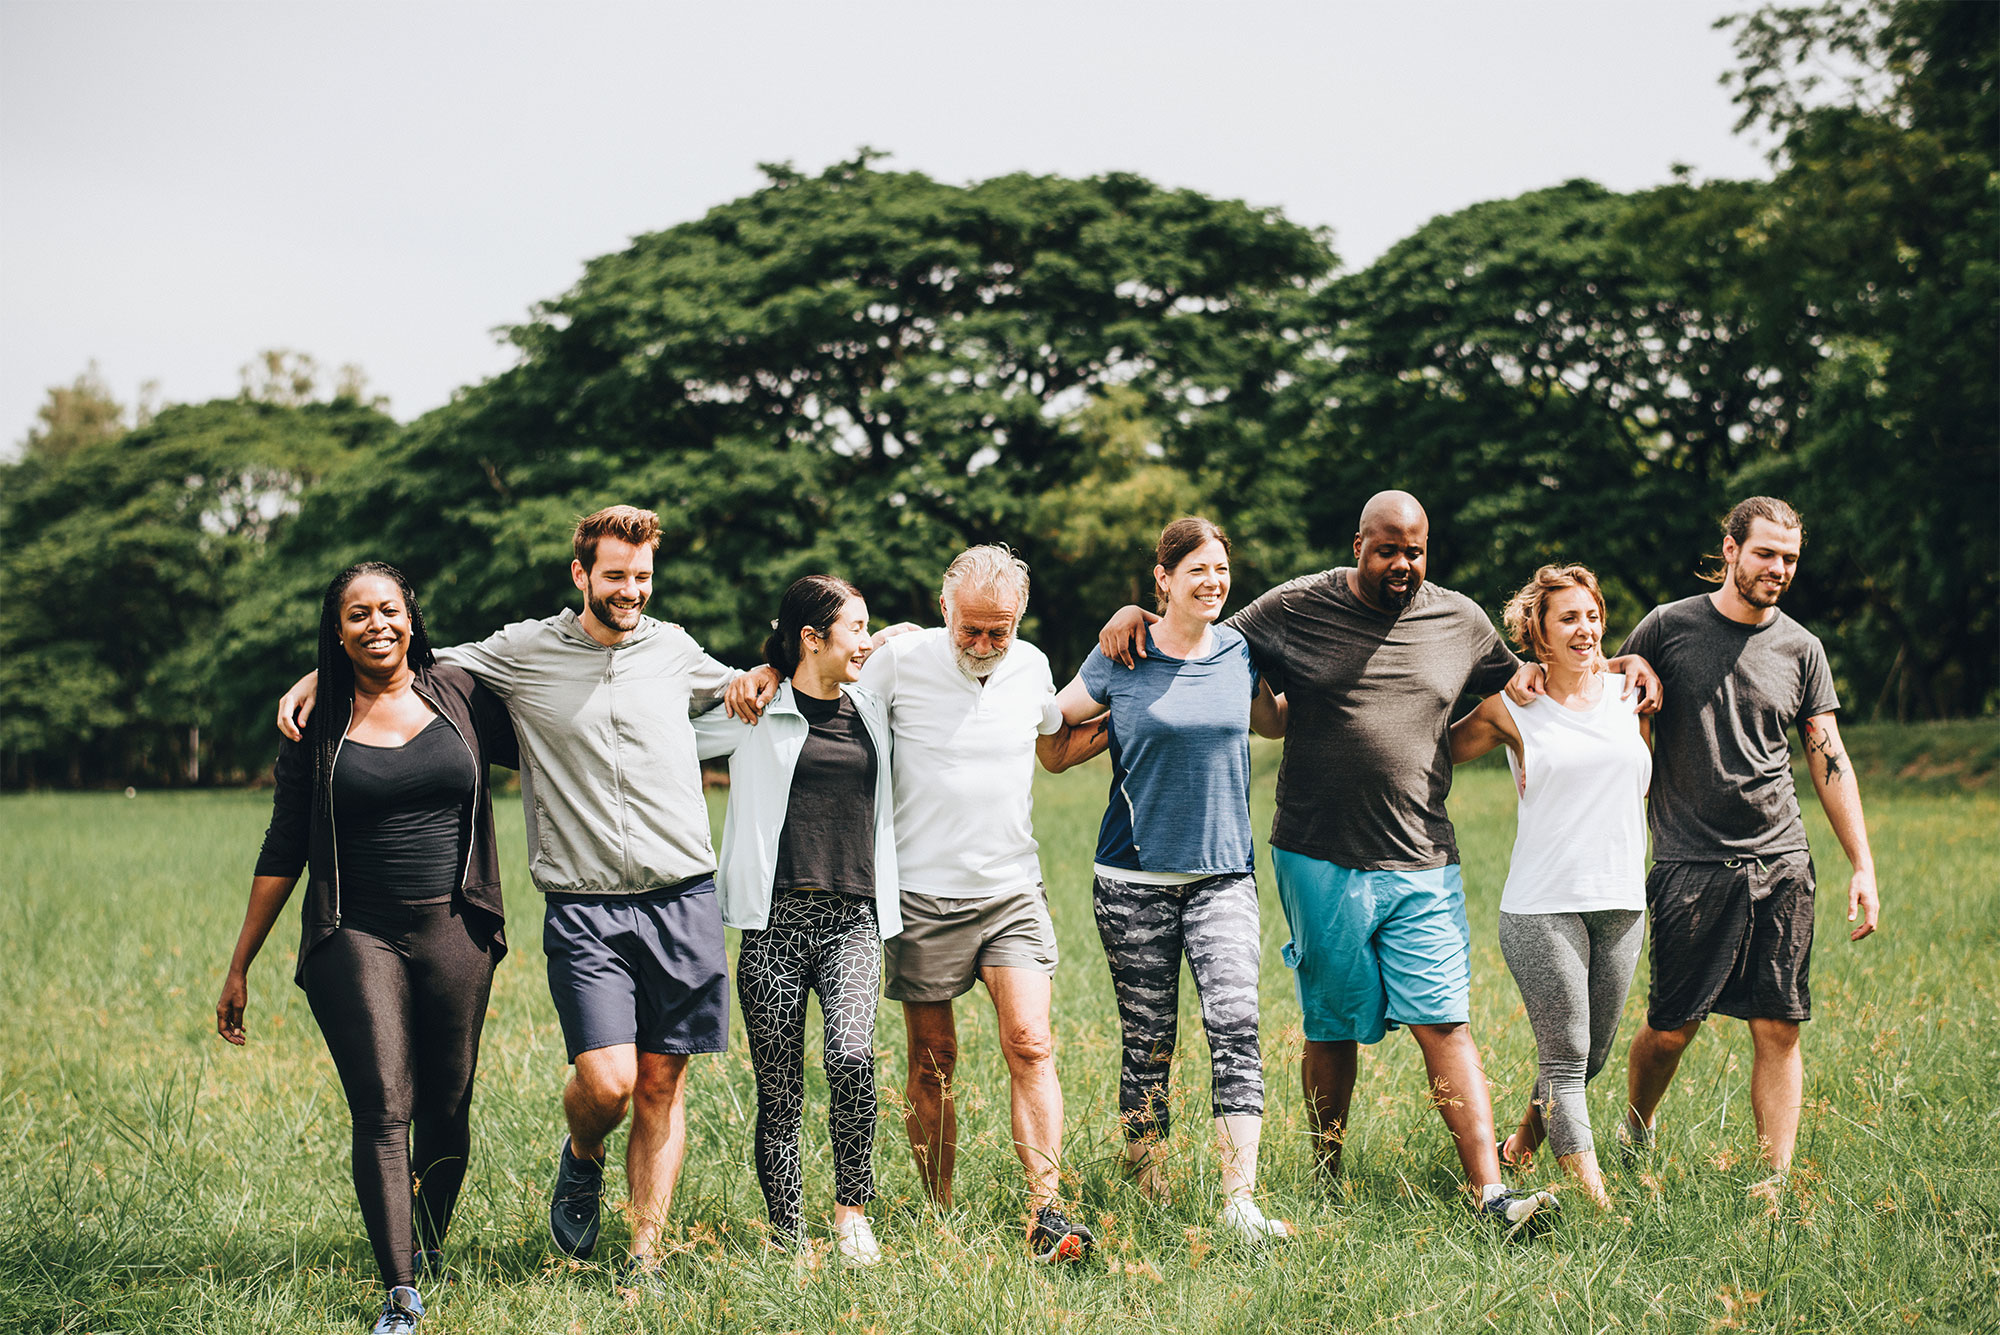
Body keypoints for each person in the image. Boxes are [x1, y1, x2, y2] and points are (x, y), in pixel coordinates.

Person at [1098, 491, 1660, 1235]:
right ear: (1357, 542)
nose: (1403, 563)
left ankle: (1490, 1195)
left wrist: (1624, 657)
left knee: (1445, 1021)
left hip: (1424, 854)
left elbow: (1543, 670)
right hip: (1316, 851)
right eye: (1388, 548)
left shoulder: (1458, 619)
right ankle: (1328, 1176)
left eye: (1416, 550)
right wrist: (1134, 614)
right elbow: (1197, 635)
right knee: (1330, 1026)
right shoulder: (1296, 606)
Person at [277, 507, 742, 1274]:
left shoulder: (673, 648)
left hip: (684, 894)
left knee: (662, 1079)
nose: (632, 590)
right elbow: (410, 658)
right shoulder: (525, 650)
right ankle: (583, 1150)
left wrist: (848, 652)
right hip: (586, 903)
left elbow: (739, 687)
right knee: (610, 1079)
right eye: (617, 575)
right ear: (581, 574)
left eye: (643, 576)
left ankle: (645, 1258)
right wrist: (320, 671)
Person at [727, 544, 1103, 1262]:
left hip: (1011, 887)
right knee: (933, 1059)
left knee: (1030, 1041)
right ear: (943, 609)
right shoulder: (896, 660)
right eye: (972, 629)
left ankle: (1045, 1209)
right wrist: (770, 667)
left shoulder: (1031, 667)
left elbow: (1055, 742)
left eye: (1001, 630)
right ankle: (938, 1206)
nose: (986, 646)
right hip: (920, 895)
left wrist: (1142, 697)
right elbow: (818, 680)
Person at [220, 562, 519, 1334]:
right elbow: (285, 844)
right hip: (354, 932)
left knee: (447, 1109)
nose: (376, 624)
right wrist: (240, 963)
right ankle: (400, 1291)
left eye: (389, 610)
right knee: (385, 1107)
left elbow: (564, 705)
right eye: (357, 615)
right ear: (338, 628)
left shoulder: (460, 692)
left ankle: (424, 1244)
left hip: (457, 926)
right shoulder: (315, 725)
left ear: (412, 618)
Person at [1604, 497, 1879, 1198]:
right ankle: (1637, 1125)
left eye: (1789, 558)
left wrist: (1862, 863)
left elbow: (1827, 754)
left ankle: (1774, 1177)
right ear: (1730, 550)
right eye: (1765, 553)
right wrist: (1631, 672)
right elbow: (1601, 690)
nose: (1778, 569)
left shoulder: (1802, 648)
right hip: (1690, 861)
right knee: (1672, 1027)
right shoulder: (1668, 626)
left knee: (1779, 1024)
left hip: (1781, 860)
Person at [1041, 517, 1293, 1241]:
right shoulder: (1122, 652)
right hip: (1130, 878)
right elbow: (1051, 729)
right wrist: (1113, 723)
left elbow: (1271, 723)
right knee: (1148, 1038)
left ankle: (1240, 1200)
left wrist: (1329, 686)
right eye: (1196, 571)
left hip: (1224, 874)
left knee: (1236, 1024)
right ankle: (1145, 1178)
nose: (1212, 582)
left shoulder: (1241, 649)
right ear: (1163, 580)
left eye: (1220, 569)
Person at [691, 575, 902, 1265]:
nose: (866, 641)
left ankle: (851, 1215)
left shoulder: (871, 707)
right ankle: (789, 1237)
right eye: (855, 628)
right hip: (773, 925)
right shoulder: (755, 708)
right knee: (778, 1090)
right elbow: (673, 731)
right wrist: (756, 673)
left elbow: (935, 643)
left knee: (850, 1058)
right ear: (813, 637)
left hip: (851, 920)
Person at [1449, 565, 1650, 1208]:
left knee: (1589, 1060)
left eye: (1592, 615)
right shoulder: (1513, 705)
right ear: (1537, 632)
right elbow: (1432, 748)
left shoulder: (1631, 692)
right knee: (1565, 1060)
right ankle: (1597, 1206)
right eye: (1569, 618)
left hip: (1622, 901)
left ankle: (1520, 1149)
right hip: (1543, 905)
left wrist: (1633, 660)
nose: (1585, 629)